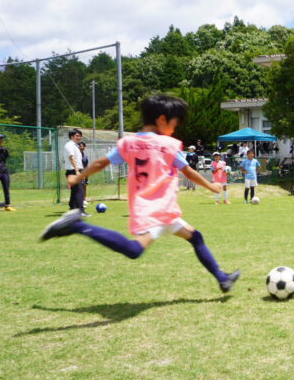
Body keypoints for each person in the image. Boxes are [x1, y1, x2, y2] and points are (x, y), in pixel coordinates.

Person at [39, 95, 240, 293]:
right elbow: (188, 171)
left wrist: (78, 177)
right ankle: (77, 226)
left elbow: (101, 162)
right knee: (134, 250)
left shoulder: (129, 143)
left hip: (158, 209)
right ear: (162, 119)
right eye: (174, 123)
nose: (174, 128)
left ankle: (222, 278)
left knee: (195, 237)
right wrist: (211, 186)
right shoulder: (168, 145)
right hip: (155, 209)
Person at [64, 128, 86, 216]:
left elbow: (78, 160)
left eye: (80, 136)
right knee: (79, 191)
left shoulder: (76, 146)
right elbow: (71, 157)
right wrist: (77, 171)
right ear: (71, 136)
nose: (79, 137)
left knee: (75, 191)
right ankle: (80, 211)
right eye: (77, 135)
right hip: (73, 171)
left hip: (76, 171)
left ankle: (72, 209)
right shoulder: (70, 145)